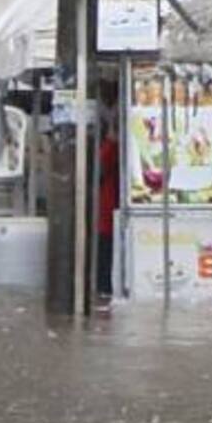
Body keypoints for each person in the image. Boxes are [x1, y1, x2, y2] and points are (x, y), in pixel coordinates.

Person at [98, 120, 119, 300]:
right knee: (106, 250)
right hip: (109, 211)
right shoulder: (111, 148)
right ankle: (105, 288)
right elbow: (103, 162)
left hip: (112, 210)